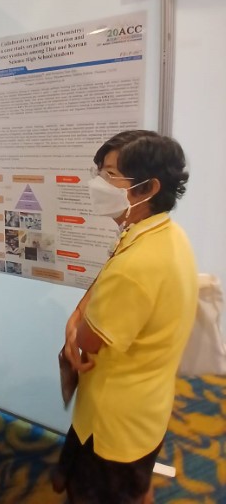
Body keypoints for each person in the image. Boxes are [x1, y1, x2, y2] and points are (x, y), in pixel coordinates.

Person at [54, 130, 198, 504]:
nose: (98, 183)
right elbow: (106, 279)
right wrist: (78, 313)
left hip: (112, 423)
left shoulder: (136, 265)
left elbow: (88, 340)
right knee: (137, 486)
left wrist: (76, 329)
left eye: (110, 174)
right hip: (147, 407)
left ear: (148, 187)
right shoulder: (165, 234)